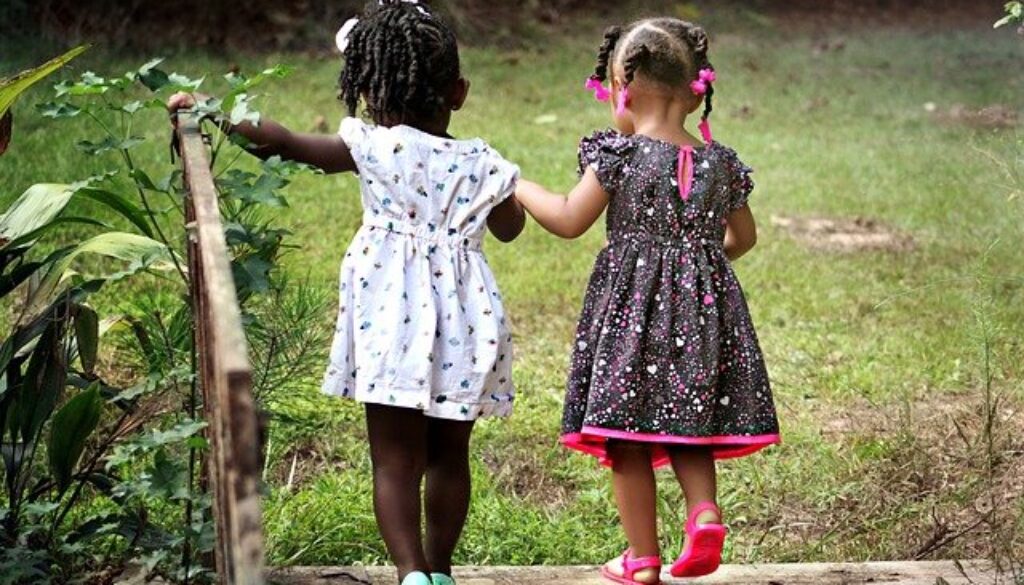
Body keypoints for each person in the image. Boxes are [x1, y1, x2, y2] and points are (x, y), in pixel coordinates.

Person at [169, 2, 525, 584]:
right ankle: (442, 570)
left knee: (394, 460)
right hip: (465, 325)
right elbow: (510, 227)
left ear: (366, 89)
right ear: (459, 92)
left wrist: (214, 112)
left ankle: (411, 574)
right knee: (448, 457)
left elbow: (283, 143)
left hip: (391, 321)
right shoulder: (482, 162)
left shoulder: (373, 147)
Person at [514, 17, 781, 585]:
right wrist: (699, 269)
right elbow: (744, 239)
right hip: (703, 319)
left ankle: (642, 560)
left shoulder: (620, 157)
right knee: (690, 423)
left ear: (623, 89)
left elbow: (567, 219)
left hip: (631, 323)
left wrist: (516, 184)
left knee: (626, 437)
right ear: (694, 90)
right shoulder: (723, 164)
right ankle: (703, 512)